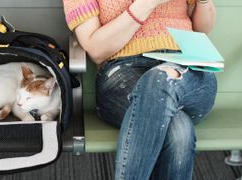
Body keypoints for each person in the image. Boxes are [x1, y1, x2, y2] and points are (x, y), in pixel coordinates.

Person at [62, 0, 217, 179]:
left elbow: (202, 31)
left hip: (187, 71)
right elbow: (96, 50)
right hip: (122, 73)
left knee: (161, 78)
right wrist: (148, 4)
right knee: (178, 130)